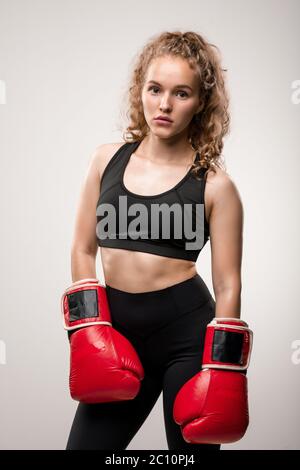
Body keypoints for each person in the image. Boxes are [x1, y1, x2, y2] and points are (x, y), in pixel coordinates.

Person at [62, 30, 253, 451]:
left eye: (181, 93)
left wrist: (220, 367)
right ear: (141, 91)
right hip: (116, 330)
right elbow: (82, 249)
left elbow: (228, 284)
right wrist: (92, 329)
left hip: (186, 334)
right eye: (155, 89)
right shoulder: (105, 160)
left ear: (201, 102)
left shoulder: (217, 187)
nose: (164, 105)